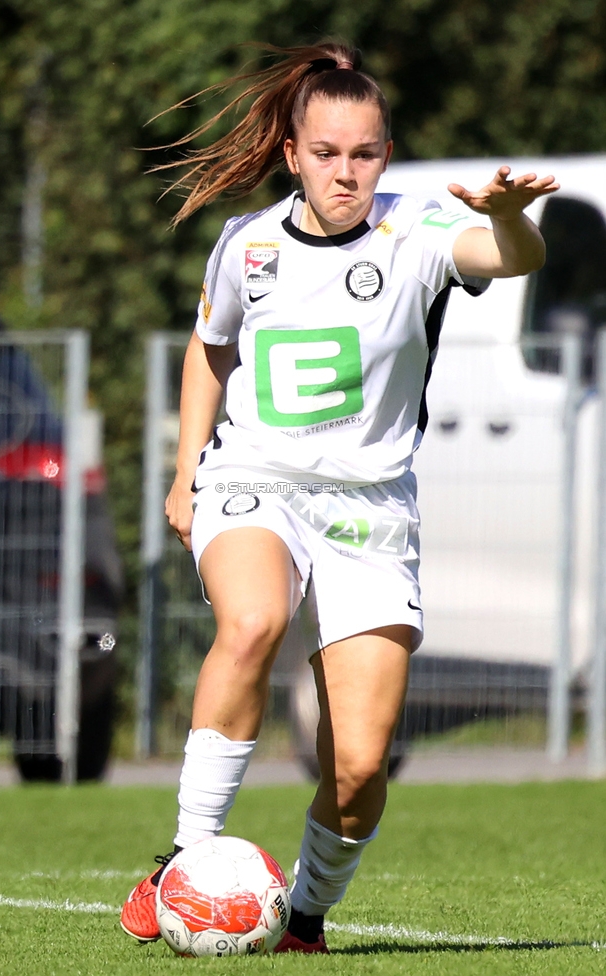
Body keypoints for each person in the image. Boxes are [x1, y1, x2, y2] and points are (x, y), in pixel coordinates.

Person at [121, 40, 558, 953]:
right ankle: (182, 862)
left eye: (364, 153)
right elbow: (211, 351)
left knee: (357, 768)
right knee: (251, 622)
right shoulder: (247, 245)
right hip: (254, 481)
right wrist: (183, 468)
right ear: (293, 154)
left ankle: (306, 919)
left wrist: (514, 220)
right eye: (326, 154)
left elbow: (510, 257)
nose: (345, 172)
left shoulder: (421, 234)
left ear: (385, 155)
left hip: (372, 511)